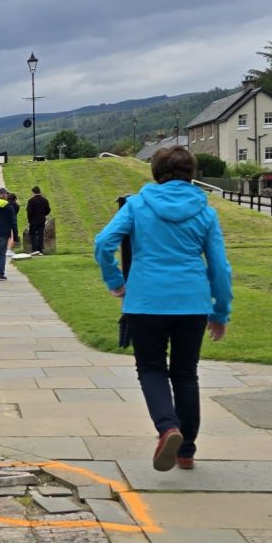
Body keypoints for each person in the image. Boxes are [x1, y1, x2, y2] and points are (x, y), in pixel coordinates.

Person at [95, 146, 233, 472]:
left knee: (152, 369)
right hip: (192, 302)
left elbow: (103, 243)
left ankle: (168, 427)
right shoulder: (205, 211)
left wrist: (115, 281)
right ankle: (186, 451)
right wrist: (220, 311)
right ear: (192, 173)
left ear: (155, 173)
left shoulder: (138, 205)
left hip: (145, 301)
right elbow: (220, 268)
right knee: (186, 373)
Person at [27, 186, 51, 255]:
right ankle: (40, 250)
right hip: (41, 220)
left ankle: (34, 250)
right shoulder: (45, 200)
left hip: (33, 220)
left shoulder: (31, 200)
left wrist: (29, 220)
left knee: (33, 235)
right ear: (39, 191)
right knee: (41, 235)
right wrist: (43, 214)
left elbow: (29, 211)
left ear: (33, 192)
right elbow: (48, 210)